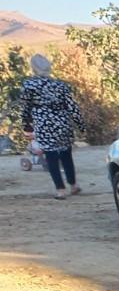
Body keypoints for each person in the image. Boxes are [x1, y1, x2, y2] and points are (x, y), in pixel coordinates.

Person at [20, 53, 86, 200]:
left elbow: (25, 108)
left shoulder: (29, 85)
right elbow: (72, 105)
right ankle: (73, 185)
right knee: (66, 154)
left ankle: (60, 189)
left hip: (44, 123)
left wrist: (26, 125)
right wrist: (80, 124)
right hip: (63, 122)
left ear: (33, 68)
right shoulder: (60, 84)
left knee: (51, 156)